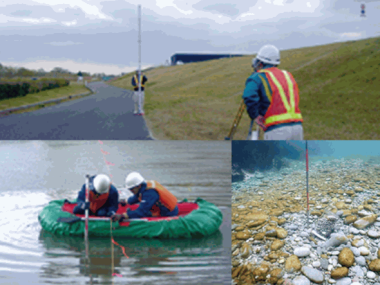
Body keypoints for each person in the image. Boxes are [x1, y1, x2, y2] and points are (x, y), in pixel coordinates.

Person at [243, 44, 304, 140]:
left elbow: (249, 96)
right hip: (297, 127)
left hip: (276, 130)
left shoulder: (257, 76)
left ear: (260, 63)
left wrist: (255, 115)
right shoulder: (287, 75)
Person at [112, 172, 178, 222]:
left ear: (138, 186)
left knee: (142, 214)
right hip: (162, 208)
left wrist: (123, 216)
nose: (130, 191)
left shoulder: (150, 193)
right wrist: (126, 201)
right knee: (136, 211)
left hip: (168, 212)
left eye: (131, 189)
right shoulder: (144, 186)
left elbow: (141, 212)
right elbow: (137, 196)